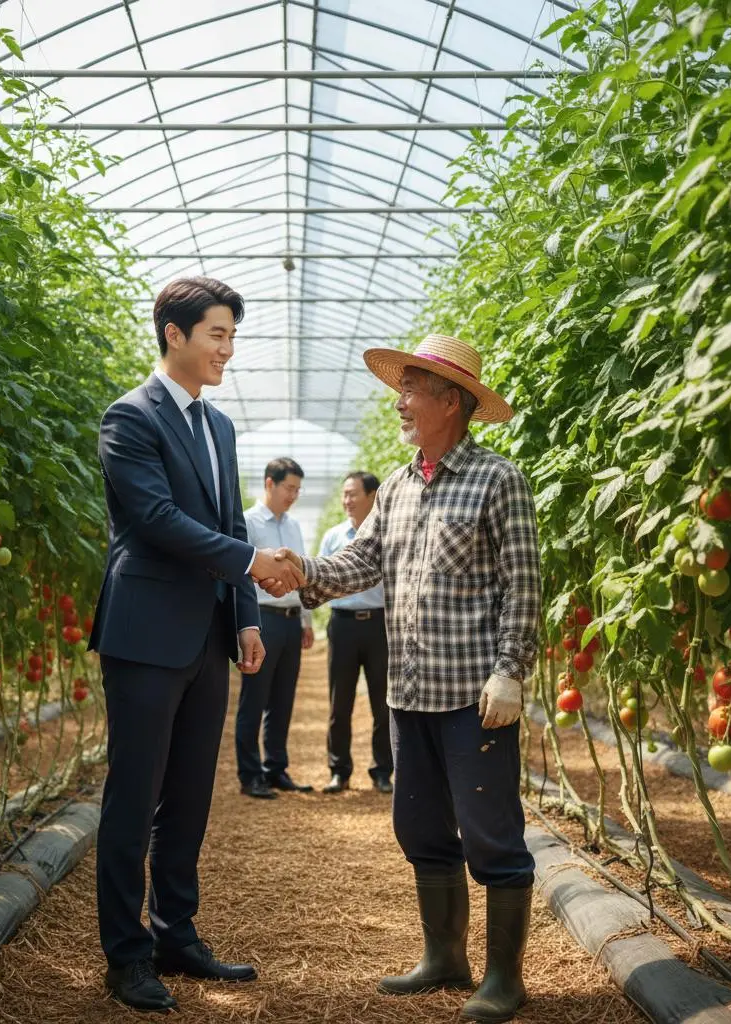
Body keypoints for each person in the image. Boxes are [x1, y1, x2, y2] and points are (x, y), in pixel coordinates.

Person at [269, 335, 541, 1024]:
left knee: (491, 837)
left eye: (413, 389)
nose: (400, 402)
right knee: (420, 828)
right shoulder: (395, 485)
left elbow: (523, 586)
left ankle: (506, 979)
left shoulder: (496, 480)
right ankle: (445, 958)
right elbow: (360, 564)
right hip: (409, 691)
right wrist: (305, 574)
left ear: (452, 402)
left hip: (474, 698)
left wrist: (510, 671)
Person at [86, 277, 304, 1013]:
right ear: (173, 334)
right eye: (218, 334)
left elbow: (229, 527)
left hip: (208, 634)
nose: (228, 349)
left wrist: (244, 614)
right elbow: (154, 519)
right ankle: (126, 955)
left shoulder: (219, 427)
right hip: (146, 634)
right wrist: (250, 568)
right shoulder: (130, 418)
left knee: (187, 798)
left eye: (233, 336)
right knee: (134, 793)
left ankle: (176, 933)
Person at [235, 457, 315, 798]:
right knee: (254, 699)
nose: (293, 495)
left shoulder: (294, 526)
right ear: (269, 483)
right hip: (262, 618)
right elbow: (239, 573)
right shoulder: (249, 523)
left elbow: (300, 577)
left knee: (283, 699)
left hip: (290, 620)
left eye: (298, 489)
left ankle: (276, 768)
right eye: (289, 488)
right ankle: (250, 774)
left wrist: (306, 618)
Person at [318, 471, 392, 795]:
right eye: (344, 494)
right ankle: (339, 771)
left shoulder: (389, 535)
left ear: (372, 496)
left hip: (380, 625)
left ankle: (382, 772)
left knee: (384, 701)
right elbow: (319, 577)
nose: (347, 500)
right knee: (340, 702)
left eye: (353, 494)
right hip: (343, 625)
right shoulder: (334, 537)